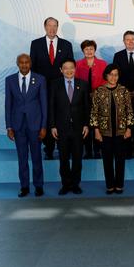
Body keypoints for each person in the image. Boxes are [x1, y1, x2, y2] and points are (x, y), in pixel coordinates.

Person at [29, 17, 74, 160]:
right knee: (46, 117)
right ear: (45, 27)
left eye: (55, 26)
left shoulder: (66, 45)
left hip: (61, 88)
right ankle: (48, 148)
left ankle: (63, 147)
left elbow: (70, 67)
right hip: (42, 89)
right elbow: (33, 68)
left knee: (61, 117)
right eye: (49, 26)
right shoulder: (35, 44)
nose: (52, 29)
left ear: (57, 27)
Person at [5, 54, 47, 197]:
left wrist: (43, 126)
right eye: (21, 62)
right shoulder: (9, 80)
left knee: (36, 157)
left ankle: (39, 186)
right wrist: (9, 126)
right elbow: (8, 104)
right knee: (22, 158)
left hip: (35, 125)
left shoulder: (40, 79)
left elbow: (44, 104)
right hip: (18, 126)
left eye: (27, 62)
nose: (24, 65)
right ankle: (24, 186)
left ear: (30, 63)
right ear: (17, 64)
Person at [90, 64, 134, 194]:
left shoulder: (124, 91)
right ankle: (109, 185)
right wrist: (96, 130)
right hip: (104, 133)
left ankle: (119, 185)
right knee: (107, 160)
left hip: (121, 132)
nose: (113, 77)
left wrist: (129, 128)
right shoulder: (99, 91)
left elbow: (129, 111)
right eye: (111, 74)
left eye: (116, 75)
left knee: (120, 160)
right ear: (106, 75)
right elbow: (94, 112)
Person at [49, 59, 90, 195]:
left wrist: (86, 124)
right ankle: (66, 184)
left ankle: (75, 184)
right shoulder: (55, 85)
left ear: (75, 68)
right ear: (61, 70)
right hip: (61, 128)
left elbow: (86, 107)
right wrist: (53, 126)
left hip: (79, 128)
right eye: (65, 68)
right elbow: (51, 107)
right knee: (63, 158)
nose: (69, 70)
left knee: (78, 158)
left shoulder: (83, 85)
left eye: (71, 68)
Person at [112, 30, 134, 158]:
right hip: (122, 96)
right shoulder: (118, 56)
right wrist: (125, 92)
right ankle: (126, 151)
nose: (130, 41)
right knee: (125, 123)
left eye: (133, 39)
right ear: (124, 41)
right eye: (128, 39)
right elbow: (115, 77)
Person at [75, 39, 107, 159]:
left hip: (99, 98)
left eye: (91, 49)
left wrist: (97, 93)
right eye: (86, 49)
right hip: (82, 99)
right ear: (83, 50)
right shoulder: (77, 64)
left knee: (98, 124)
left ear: (95, 50)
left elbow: (105, 81)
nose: (89, 51)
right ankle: (87, 150)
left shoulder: (102, 64)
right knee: (86, 124)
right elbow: (76, 80)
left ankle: (98, 150)